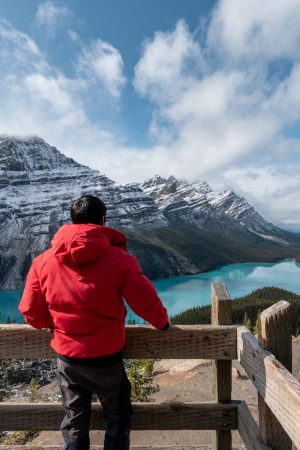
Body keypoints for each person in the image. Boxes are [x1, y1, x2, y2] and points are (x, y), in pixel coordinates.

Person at [19, 195, 169, 450]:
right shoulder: (120, 260)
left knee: (74, 424)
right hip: (106, 359)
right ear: (102, 221)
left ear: (72, 220)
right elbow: (145, 303)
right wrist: (162, 324)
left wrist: (56, 324)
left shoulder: (43, 261)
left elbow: (31, 313)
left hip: (67, 359)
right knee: (118, 418)